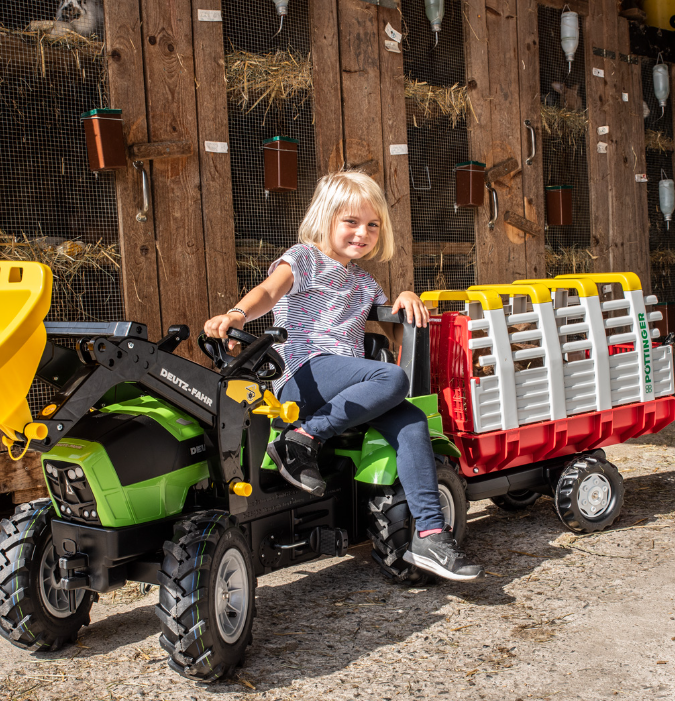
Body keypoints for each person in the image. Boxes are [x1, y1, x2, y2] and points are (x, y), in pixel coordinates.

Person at [203, 170, 482, 582]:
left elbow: (393, 330)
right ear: (326, 217)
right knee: (392, 380)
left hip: (346, 385)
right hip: (303, 374)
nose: (362, 233)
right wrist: (237, 314)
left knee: (411, 421)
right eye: (351, 222)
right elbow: (268, 291)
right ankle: (301, 439)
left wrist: (405, 298)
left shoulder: (365, 283)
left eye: (372, 225)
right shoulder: (303, 258)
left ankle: (430, 534)